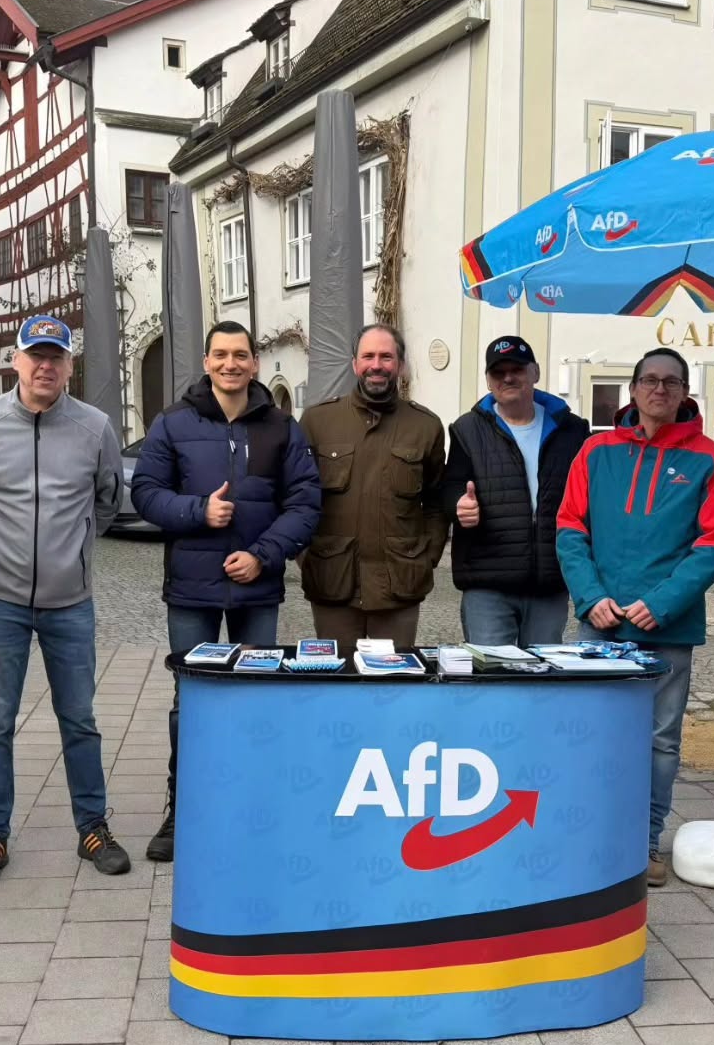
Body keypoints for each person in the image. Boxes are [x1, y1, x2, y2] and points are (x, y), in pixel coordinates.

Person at [0, 314, 131, 886]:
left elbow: (106, 502)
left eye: (56, 357)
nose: (45, 366)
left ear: (69, 366)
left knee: (79, 718)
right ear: (16, 361)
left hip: (70, 601)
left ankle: (93, 826)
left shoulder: (95, 427)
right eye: (36, 356)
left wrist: (70, 552)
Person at [131, 320, 321, 861]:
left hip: (256, 589)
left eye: (240, 355)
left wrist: (262, 556)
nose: (231, 364)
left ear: (254, 363)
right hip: (191, 590)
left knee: (258, 699)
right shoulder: (172, 424)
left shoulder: (283, 428)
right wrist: (199, 511)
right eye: (221, 355)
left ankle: (255, 808)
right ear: (207, 361)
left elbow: (306, 504)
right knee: (190, 701)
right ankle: (182, 810)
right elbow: (146, 492)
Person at [556, 347, 714, 888]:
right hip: (600, 623)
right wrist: (590, 598)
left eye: (672, 382)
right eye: (650, 380)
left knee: (660, 741)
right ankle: (592, 836)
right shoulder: (594, 452)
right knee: (594, 733)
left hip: (668, 628)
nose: (660, 389)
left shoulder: (711, 459)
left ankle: (646, 842)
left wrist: (661, 603)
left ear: (685, 393)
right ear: (631, 390)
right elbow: (570, 529)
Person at [299, 324, 448, 654]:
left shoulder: (425, 426)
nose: (376, 365)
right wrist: (306, 556)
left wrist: (426, 559)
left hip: (400, 585)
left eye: (386, 356)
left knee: (391, 689)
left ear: (401, 365)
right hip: (332, 581)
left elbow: (436, 504)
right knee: (336, 685)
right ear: (355, 364)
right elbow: (297, 499)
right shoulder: (317, 422)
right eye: (368, 356)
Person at [443, 336, 589, 646]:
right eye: (498, 372)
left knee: (542, 684)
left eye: (517, 369)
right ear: (488, 380)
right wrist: (458, 505)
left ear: (535, 372)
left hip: (549, 580)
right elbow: (450, 485)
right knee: (493, 680)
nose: (508, 377)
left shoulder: (572, 430)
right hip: (488, 580)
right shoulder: (467, 429)